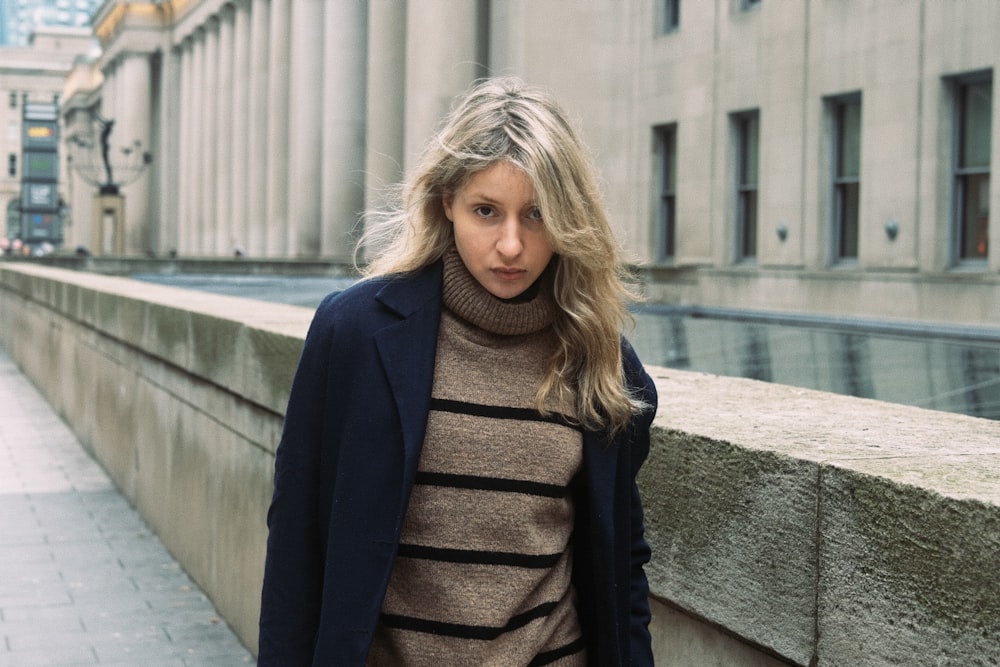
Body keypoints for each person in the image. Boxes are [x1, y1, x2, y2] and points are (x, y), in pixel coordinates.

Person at [258, 77, 657, 666]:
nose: (512, 245)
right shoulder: (356, 334)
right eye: (486, 212)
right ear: (447, 203)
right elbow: (298, 542)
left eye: (538, 216)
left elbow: (621, 559)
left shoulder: (599, 360)